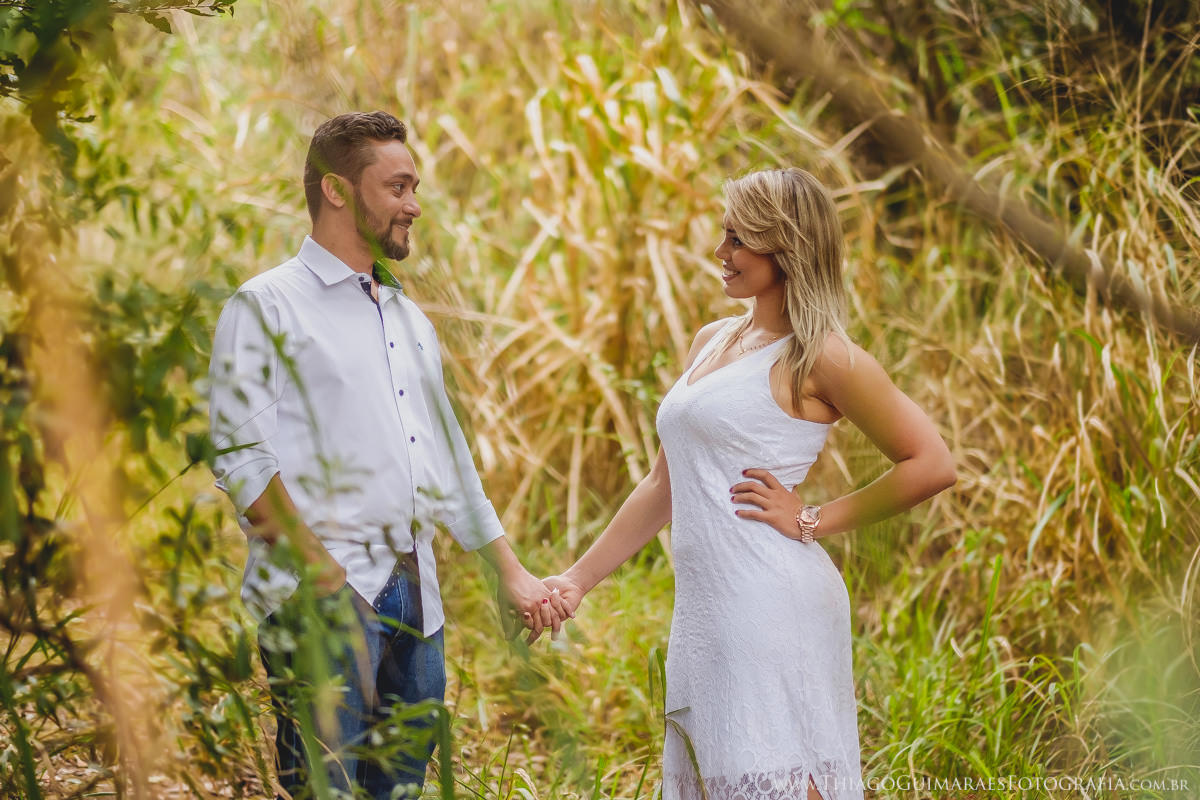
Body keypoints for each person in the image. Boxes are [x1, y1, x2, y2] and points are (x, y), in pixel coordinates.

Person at [544, 167, 956, 800]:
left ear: (785, 245)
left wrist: (812, 518)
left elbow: (930, 462)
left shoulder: (824, 356)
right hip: (706, 614)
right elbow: (664, 482)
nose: (721, 253)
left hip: (771, 603)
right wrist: (576, 581)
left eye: (738, 239)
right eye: (724, 234)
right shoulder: (713, 339)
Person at [207, 111, 567, 799]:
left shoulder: (409, 319)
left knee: (399, 792)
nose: (414, 205)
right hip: (326, 600)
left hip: (418, 602)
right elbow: (241, 454)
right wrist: (323, 577)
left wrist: (512, 574)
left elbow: (448, 465)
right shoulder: (265, 305)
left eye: (415, 188)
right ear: (338, 190)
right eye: (398, 187)